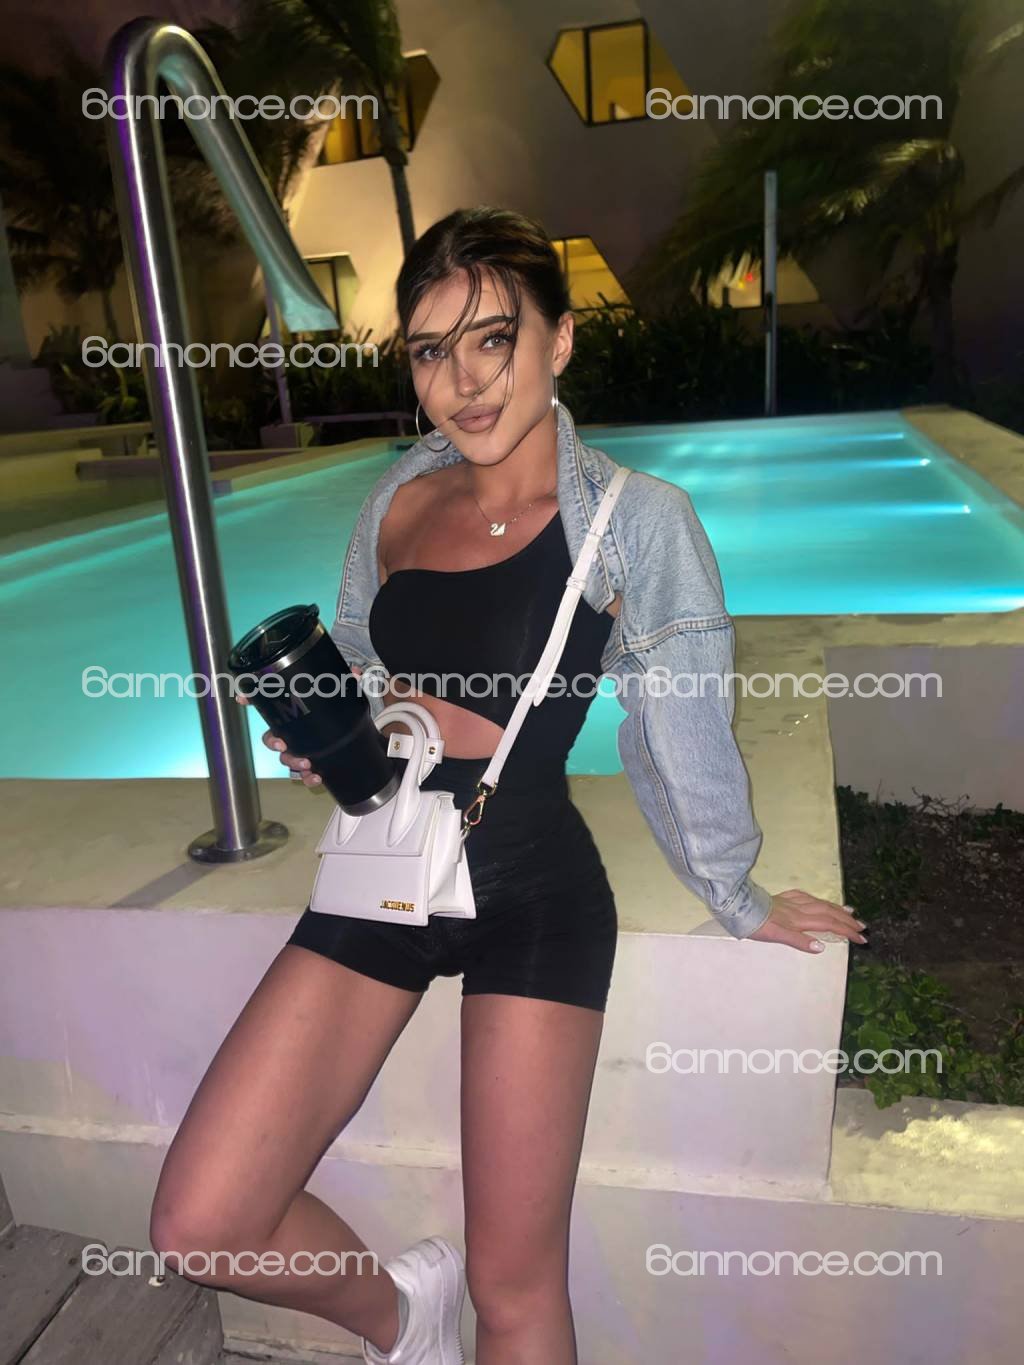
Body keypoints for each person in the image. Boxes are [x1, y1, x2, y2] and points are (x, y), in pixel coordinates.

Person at [149, 207, 867, 1365]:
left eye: (493, 339)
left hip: (531, 881)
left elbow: (680, 721)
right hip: (390, 865)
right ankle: (401, 1319)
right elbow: (366, 658)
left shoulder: (636, 521)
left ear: (559, 340)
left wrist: (733, 891)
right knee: (201, 1222)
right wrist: (338, 737)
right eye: (431, 350)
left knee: (515, 1284)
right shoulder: (396, 501)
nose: (463, 380)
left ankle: (458, 1308)